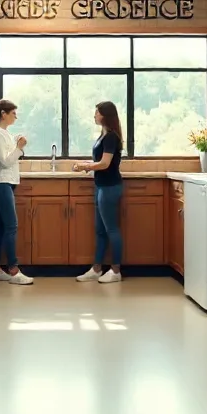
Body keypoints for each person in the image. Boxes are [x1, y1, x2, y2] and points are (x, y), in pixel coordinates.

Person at [73, 101, 125, 284]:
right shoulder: (103, 135)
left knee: (111, 229)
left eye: (97, 112)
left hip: (110, 187)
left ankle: (116, 271)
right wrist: (85, 165)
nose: (94, 115)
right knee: (100, 231)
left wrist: (85, 167)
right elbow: (100, 160)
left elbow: (104, 164)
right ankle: (96, 269)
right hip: (101, 186)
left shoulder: (111, 137)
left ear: (105, 115)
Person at [0, 99, 34, 285]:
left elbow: (8, 157)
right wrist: (19, 148)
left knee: (1, 227)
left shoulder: (4, 133)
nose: (16, 116)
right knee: (11, 226)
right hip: (1, 183)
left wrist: (16, 146)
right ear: (3, 114)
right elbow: (5, 161)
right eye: (13, 113)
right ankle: (14, 271)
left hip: (7, 183)